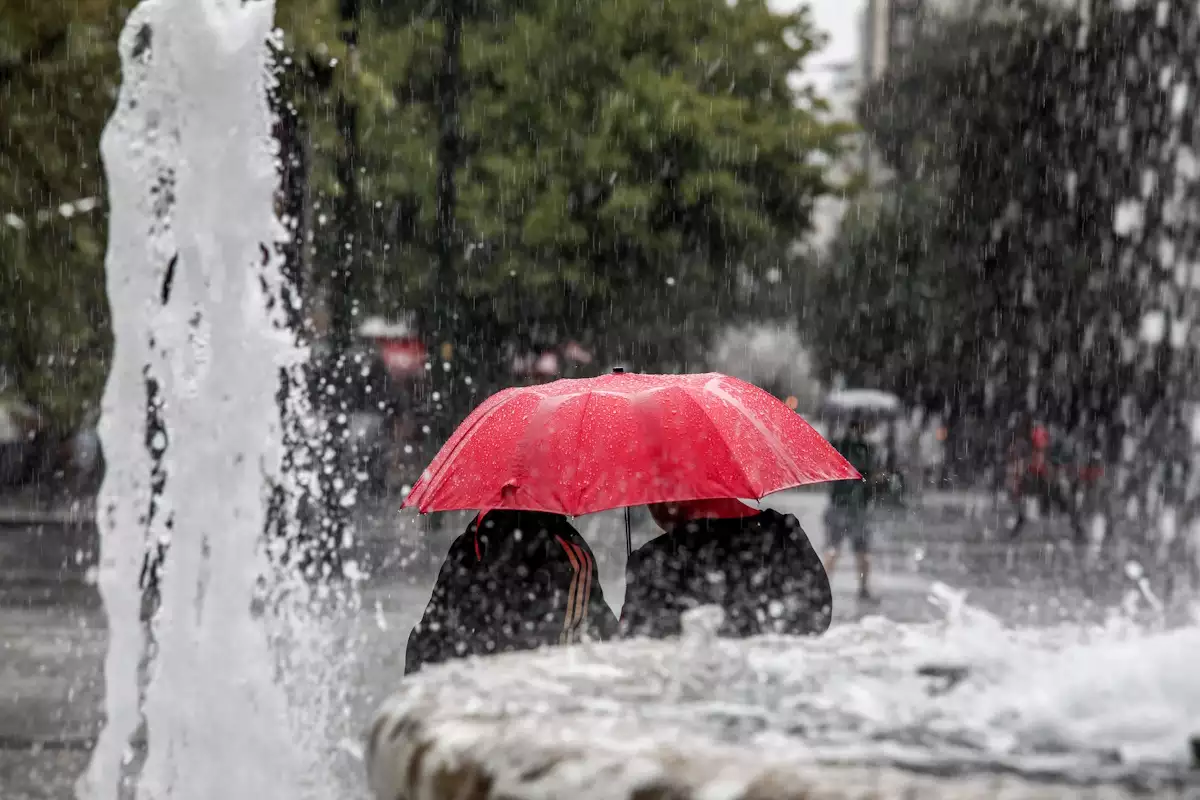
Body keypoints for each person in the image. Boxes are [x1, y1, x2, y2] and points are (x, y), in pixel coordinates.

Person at [405, 509, 618, 674]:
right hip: (545, 701)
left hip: (472, 698)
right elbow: (584, 630)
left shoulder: (470, 543)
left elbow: (431, 632)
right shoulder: (569, 553)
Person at [619, 499, 832, 639]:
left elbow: (636, 642)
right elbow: (816, 617)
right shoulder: (781, 534)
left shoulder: (655, 559)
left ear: (669, 498)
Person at [824, 415, 877, 603]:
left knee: (833, 548)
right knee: (862, 549)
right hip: (857, 508)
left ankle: (822, 587)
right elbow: (871, 477)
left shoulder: (837, 444)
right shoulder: (866, 448)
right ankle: (863, 588)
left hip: (838, 503)